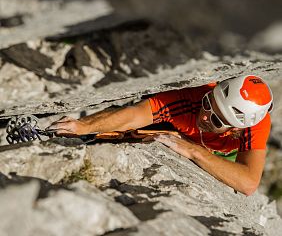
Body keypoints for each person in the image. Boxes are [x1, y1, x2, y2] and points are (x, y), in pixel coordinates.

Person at [47, 75, 273, 196]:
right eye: (208, 104)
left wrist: (194, 151)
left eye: (215, 120)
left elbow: (248, 183)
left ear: (235, 130)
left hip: (221, 154)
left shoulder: (255, 126)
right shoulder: (191, 99)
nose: (204, 116)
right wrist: (83, 126)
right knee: (145, 134)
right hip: (176, 129)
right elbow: (136, 114)